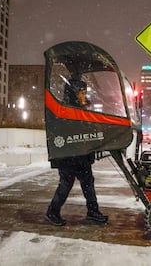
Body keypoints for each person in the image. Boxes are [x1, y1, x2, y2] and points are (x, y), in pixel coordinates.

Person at [45, 79, 108, 226]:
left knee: (88, 183)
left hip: (81, 155)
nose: (84, 96)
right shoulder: (65, 110)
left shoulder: (82, 109)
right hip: (69, 156)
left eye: (85, 93)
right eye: (81, 93)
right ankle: (52, 212)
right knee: (66, 184)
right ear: (74, 94)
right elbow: (71, 130)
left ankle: (93, 211)